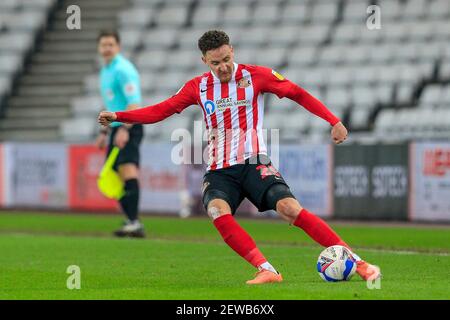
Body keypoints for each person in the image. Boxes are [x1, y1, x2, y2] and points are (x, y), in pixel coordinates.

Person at [98, 30, 381, 283]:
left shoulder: (255, 75)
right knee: (217, 211)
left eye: (225, 59)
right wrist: (120, 117)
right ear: (204, 61)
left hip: (253, 162)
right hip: (219, 170)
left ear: (231, 50)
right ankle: (266, 269)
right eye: (215, 62)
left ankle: (359, 264)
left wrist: (333, 120)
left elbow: (297, 93)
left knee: (289, 208)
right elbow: (161, 110)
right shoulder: (197, 87)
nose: (222, 67)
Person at [95, 30, 145, 238]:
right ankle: (130, 220)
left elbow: (134, 103)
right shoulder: (106, 71)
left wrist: (125, 128)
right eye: (104, 45)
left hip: (129, 125)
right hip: (116, 127)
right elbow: (111, 104)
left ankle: (134, 223)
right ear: (99, 48)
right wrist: (104, 132)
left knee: (127, 170)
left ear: (118, 47)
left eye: (110, 45)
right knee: (116, 173)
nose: (107, 49)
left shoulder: (124, 70)